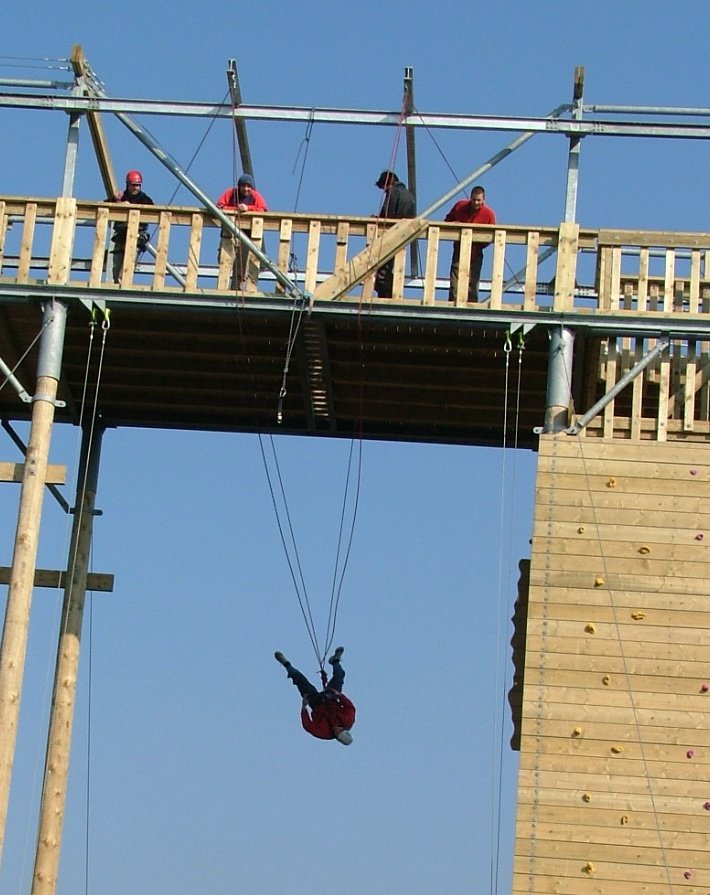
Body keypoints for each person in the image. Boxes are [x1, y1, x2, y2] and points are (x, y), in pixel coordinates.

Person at [274, 646, 356, 745]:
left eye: (338, 732)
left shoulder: (322, 733)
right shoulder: (348, 721)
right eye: (341, 729)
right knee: (340, 674)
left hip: (316, 703)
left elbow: (308, 725)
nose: (337, 729)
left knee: (299, 679)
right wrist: (339, 695)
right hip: (332, 698)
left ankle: (286, 664)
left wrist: (304, 708)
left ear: (337, 738)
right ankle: (335, 661)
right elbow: (350, 707)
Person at [216, 174, 269, 289]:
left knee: (242, 263)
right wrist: (236, 209)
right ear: (239, 186)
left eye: (248, 187)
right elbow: (219, 206)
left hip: (247, 235)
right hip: (230, 233)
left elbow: (263, 209)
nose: (246, 189)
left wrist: (248, 208)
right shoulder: (231, 193)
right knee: (225, 258)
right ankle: (223, 286)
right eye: (243, 186)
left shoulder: (254, 195)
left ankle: (237, 287)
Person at [444, 185, 496, 302]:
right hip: (459, 250)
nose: (476, 203)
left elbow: (491, 236)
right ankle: (453, 304)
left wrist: (477, 243)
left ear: (483, 200)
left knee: (473, 282)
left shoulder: (489, 214)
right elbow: (447, 221)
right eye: (474, 200)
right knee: (455, 281)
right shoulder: (460, 206)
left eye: (479, 200)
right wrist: (454, 225)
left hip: (476, 253)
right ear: (470, 198)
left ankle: (472, 305)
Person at [374, 170, 416, 298]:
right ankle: (391, 293)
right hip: (403, 238)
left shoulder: (393, 192)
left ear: (388, 184)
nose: (384, 191)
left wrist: (377, 220)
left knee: (382, 274)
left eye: (384, 188)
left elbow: (387, 215)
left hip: (391, 236)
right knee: (391, 268)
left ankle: (387, 296)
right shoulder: (409, 195)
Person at [112, 170, 154, 284]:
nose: (136, 188)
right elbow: (105, 204)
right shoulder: (122, 197)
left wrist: (131, 206)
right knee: (116, 266)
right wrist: (118, 202)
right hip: (121, 235)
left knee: (128, 264)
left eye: (138, 185)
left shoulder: (144, 199)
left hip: (135, 236)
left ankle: (123, 285)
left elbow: (151, 209)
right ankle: (117, 284)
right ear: (128, 184)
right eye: (134, 185)